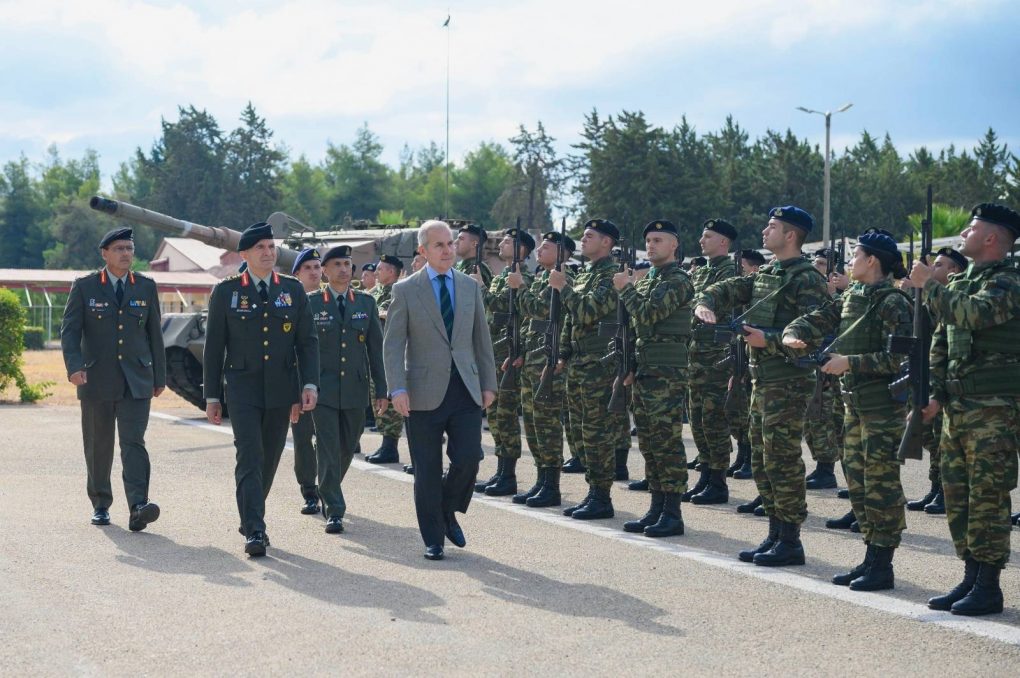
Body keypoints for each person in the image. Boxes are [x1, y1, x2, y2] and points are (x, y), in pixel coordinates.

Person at [694, 206, 829, 566]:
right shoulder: (769, 272)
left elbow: (817, 332)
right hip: (762, 380)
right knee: (765, 460)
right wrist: (706, 303)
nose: (764, 231)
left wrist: (766, 340)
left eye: (772, 227)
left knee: (783, 460)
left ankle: (790, 539)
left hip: (788, 381)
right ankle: (774, 533)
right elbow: (729, 288)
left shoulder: (807, 279)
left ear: (790, 236)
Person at [784, 229, 913, 590]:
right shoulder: (853, 296)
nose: (849, 263)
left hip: (881, 409)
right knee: (857, 483)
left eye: (855, 256)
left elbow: (899, 357)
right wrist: (794, 331)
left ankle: (882, 564)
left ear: (872, 261)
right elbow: (819, 317)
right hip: (854, 407)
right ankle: (870, 557)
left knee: (881, 486)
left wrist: (850, 363)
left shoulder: (893, 303)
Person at [917, 203, 1020, 616]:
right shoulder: (964, 281)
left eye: (972, 227)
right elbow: (941, 343)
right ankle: (970, 574)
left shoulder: (1009, 283)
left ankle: (989, 586)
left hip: (994, 409)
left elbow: (974, 316)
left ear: (992, 237)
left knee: (988, 498)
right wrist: (934, 394)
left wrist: (932, 287)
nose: (964, 232)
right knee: (957, 495)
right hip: (958, 408)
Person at [383, 220, 497, 561]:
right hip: (421, 392)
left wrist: (488, 383)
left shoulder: (469, 286)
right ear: (423, 251)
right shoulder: (405, 290)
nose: (447, 251)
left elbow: (482, 339)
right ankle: (433, 538)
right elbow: (393, 345)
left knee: (468, 459)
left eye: (450, 244)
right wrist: (397, 388)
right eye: (439, 246)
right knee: (427, 469)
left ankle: (447, 509)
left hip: (465, 388)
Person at [203, 222, 319, 557]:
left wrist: (308, 384)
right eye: (261, 248)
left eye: (271, 247)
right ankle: (255, 529)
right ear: (245, 254)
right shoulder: (227, 292)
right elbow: (214, 348)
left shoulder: (292, 289)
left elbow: (307, 342)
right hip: (242, 388)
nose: (268, 253)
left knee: (268, 459)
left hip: (282, 389)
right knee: (250, 456)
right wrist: (212, 396)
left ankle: (249, 511)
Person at [60, 227, 166, 531]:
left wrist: (159, 375)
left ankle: (138, 506)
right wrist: (74, 366)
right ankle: (101, 504)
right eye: (119, 249)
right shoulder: (85, 287)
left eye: (130, 249)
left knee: (134, 442)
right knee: (98, 444)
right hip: (96, 379)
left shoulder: (145, 287)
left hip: (137, 380)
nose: (126, 254)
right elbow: (69, 332)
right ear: (105, 253)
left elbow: (154, 334)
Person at [617, 220, 694, 537]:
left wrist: (625, 289)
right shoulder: (649, 280)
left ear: (673, 246)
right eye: (647, 240)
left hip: (667, 372)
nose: (650, 245)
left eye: (658, 240)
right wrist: (631, 364)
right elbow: (637, 329)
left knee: (666, 441)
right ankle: (657, 506)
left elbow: (648, 314)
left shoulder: (678, 280)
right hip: (647, 369)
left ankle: (673, 513)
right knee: (649, 442)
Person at [308, 246, 387, 534]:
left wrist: (382, 389)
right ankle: (335, 509)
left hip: (355, 388)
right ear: (325, 271)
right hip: (322, 389)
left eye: (347, 264)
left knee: (346, 446)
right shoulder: (312, 303)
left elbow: (375, 350)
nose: (343, 269)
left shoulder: (365, 303)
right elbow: (301, 349)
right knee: (328, 446)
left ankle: (325, 486)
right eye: (337, 264)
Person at [550, 219, 622, 520]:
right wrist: (564, 352)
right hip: (579, 363)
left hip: (599, 365)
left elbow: (587, 312)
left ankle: (601, 496)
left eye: (589, 236)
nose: (583, 239)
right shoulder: (588, 273)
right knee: (581, 431)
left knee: (596, 433)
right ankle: (593, 491)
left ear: (606, 242)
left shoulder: (611, 275)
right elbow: (571, 321)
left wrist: (563, 287)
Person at [509, 230, 576, 507]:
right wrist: (521, 352)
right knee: (533, 424)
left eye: (547, 246)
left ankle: (552, 485)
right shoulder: (541, 278)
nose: (540, 250)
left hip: (549, 360)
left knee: (547, 424)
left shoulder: (562, 280)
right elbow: (528, 323)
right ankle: (541, 479)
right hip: (533, 358)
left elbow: (539, 311)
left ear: (563, 253)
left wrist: (519, 288)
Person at [904, 246, 968, 515]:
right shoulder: (930, 298)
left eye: (939, 266)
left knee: (944, 439)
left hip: (948, 378)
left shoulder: (957, 299)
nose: (933, 269)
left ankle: (946, 490)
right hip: (926, 372)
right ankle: (936, 487)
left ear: (954, 271)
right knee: (931, 438)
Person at [474, 227, 535, 496]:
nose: (503, 243)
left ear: (522, 250)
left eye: (509, 241)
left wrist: (481, 289)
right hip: (494, 352)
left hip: (509, 354)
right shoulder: (502, 278)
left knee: (507, 416)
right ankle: (500, 471)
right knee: (496, 416)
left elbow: (503, 308)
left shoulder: (526, 278)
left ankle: (508, 475)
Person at [685, 219, 740, 505]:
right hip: (697, 356)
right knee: (698, 418)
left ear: (723, 242)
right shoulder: (702, 272)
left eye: (708, 236)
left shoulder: (729, 272)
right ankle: (705, 474)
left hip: (718, 359)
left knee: (714, 420)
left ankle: (718, 481)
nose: (701, 240)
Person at [290, 248, 324, 515]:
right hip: (300, 381)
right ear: (297, 273)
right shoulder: (289, 300)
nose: (314, 272)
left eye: (317, 266)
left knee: (332, 440)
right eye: (308, 268)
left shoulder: (330, 300)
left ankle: (329, 487)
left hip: (331, 380)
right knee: (303, 440)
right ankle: (309, 491)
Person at [366, 255, 406, 465]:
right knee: (378, 398)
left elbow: (390, 314)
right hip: (377, 352)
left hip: (390, 353)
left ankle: (391, 447)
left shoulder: (398, 292)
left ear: (391, 272)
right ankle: (386, 444)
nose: (376, 273)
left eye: (380, 269)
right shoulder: (378, 292)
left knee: (389, 402)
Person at [454, 223, 493, 287]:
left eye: (461, 239)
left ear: (474, 244)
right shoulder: (460, 265)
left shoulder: (479, 268)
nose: (455, 242)